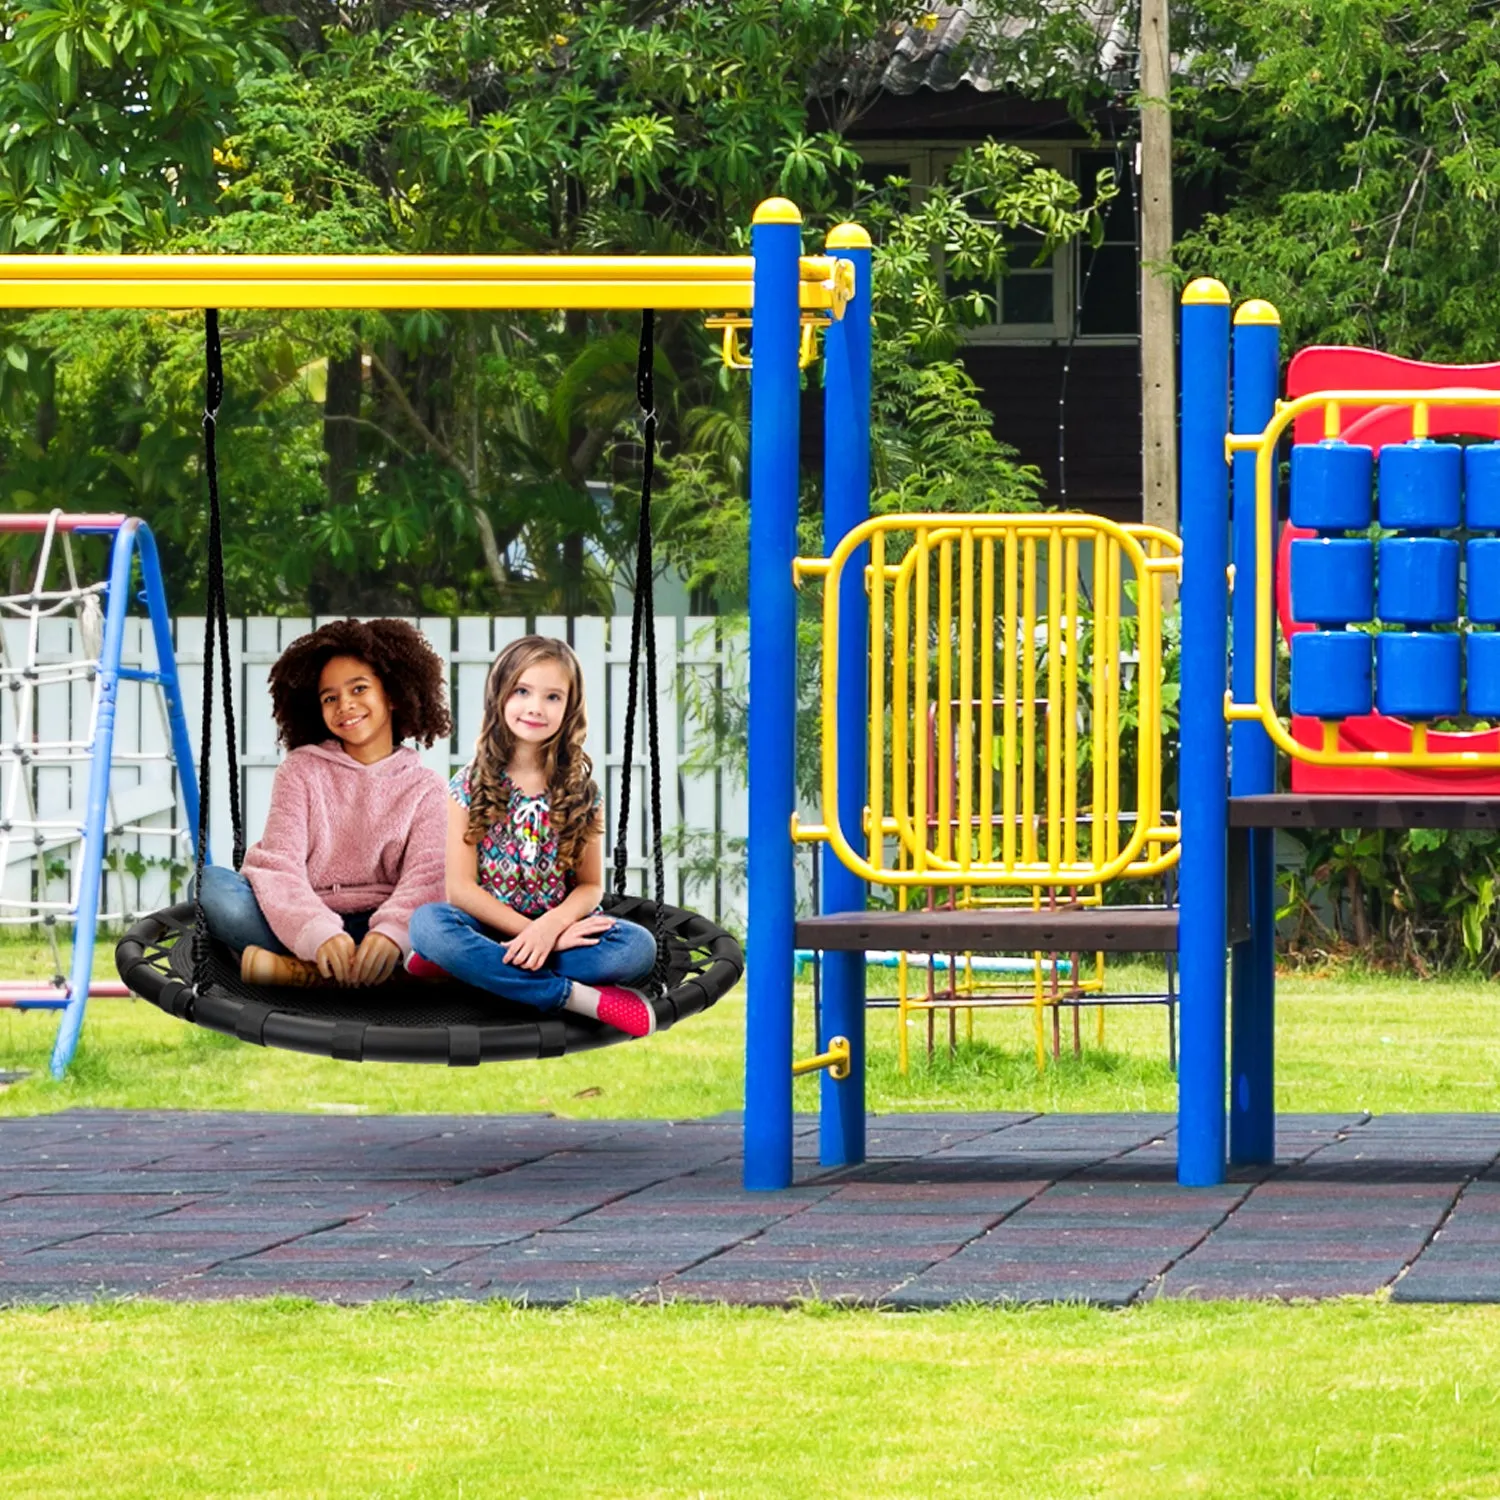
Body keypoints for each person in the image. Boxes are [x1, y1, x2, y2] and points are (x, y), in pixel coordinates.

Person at [408, 634, 658, 1037]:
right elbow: (460, 890)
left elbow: (590, 886)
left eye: (553, 697)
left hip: (558, 928)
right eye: (523, 691)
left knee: (636, 949)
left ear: (570, 709)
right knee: (427, 925)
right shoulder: (467, 784)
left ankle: (470, 968)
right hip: (486, 927)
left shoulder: (582, 791)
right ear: (500, 695)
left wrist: (551, 930)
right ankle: (568, 996)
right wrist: (530, 934)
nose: (535, 708)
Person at [196, 618, 451, 988]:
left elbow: (428, 876)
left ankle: (310, 975)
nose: (345, 705)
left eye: (359, 689)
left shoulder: (426, 787)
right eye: (330, 697)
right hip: (302, 922)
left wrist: (393, 932)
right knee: (214, 886)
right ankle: (353, 973)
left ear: (393, 695)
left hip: (388, 928)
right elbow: (279, 866)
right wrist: (319, 934)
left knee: (454, 908)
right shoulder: (300, 772)